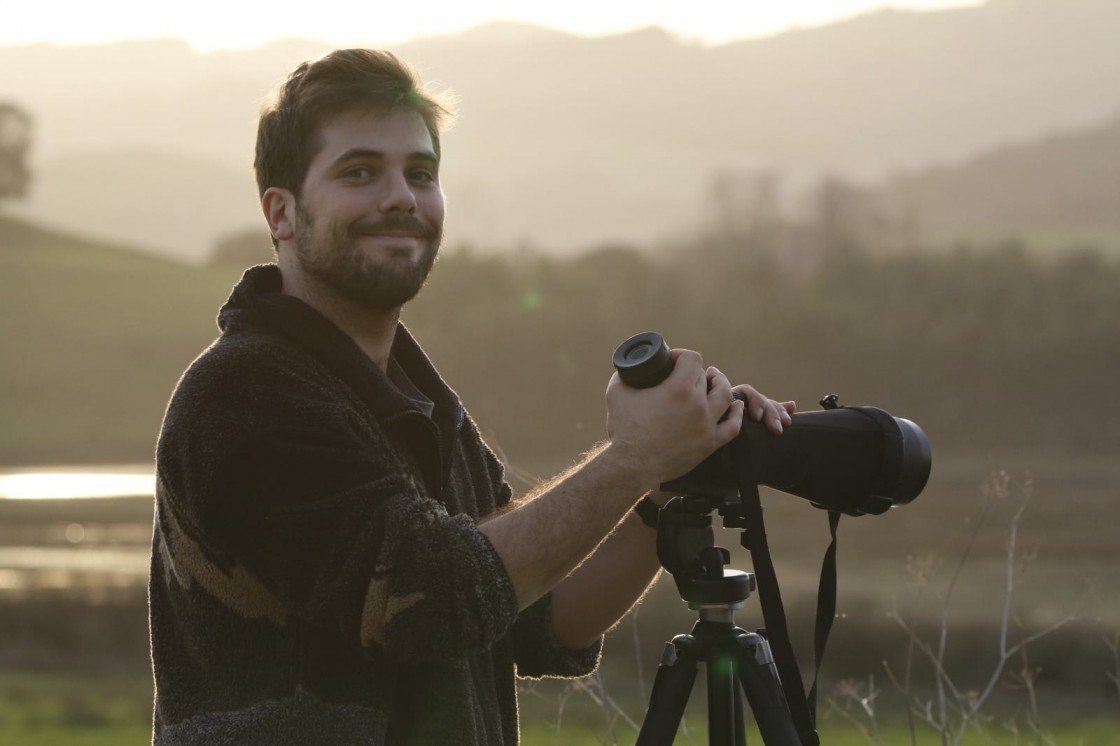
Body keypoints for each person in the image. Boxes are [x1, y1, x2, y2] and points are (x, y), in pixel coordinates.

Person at [148, 48, 794, 745]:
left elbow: (544, 620)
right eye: (360, 171)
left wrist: (668, 482)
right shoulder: (245, 394)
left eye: (420, 173)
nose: (401, 195)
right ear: (282, 213)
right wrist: (632, 456)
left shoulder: (419, 405)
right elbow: (428, 601)